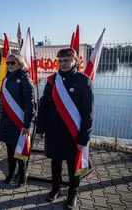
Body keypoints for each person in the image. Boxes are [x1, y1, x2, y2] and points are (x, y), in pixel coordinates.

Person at [37, 48, 94, 209]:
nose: (62, 64)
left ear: (76, 61)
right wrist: (41, 128)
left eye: (66, 60)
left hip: (72, 131)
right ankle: (56, 189)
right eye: (60, 61)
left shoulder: (84, 81)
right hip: (54, 129)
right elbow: (44, 104)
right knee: (55, 161)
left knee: (72, 164)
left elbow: (88, 113)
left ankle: (72, 193)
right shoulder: (52, 80)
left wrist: (84, 137)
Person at [0, 54, 35, 187]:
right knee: (10, 150)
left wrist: (27, 124)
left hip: (19, 121)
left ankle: (22, 175)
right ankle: (11, 173)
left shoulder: (25, 79)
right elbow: (1, 101)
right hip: (6, 120)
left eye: (13, 63)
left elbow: (30, 105)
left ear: (20, 64)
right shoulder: (5, 79)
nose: (10, 65)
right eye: (8, 63)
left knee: (20, 150)